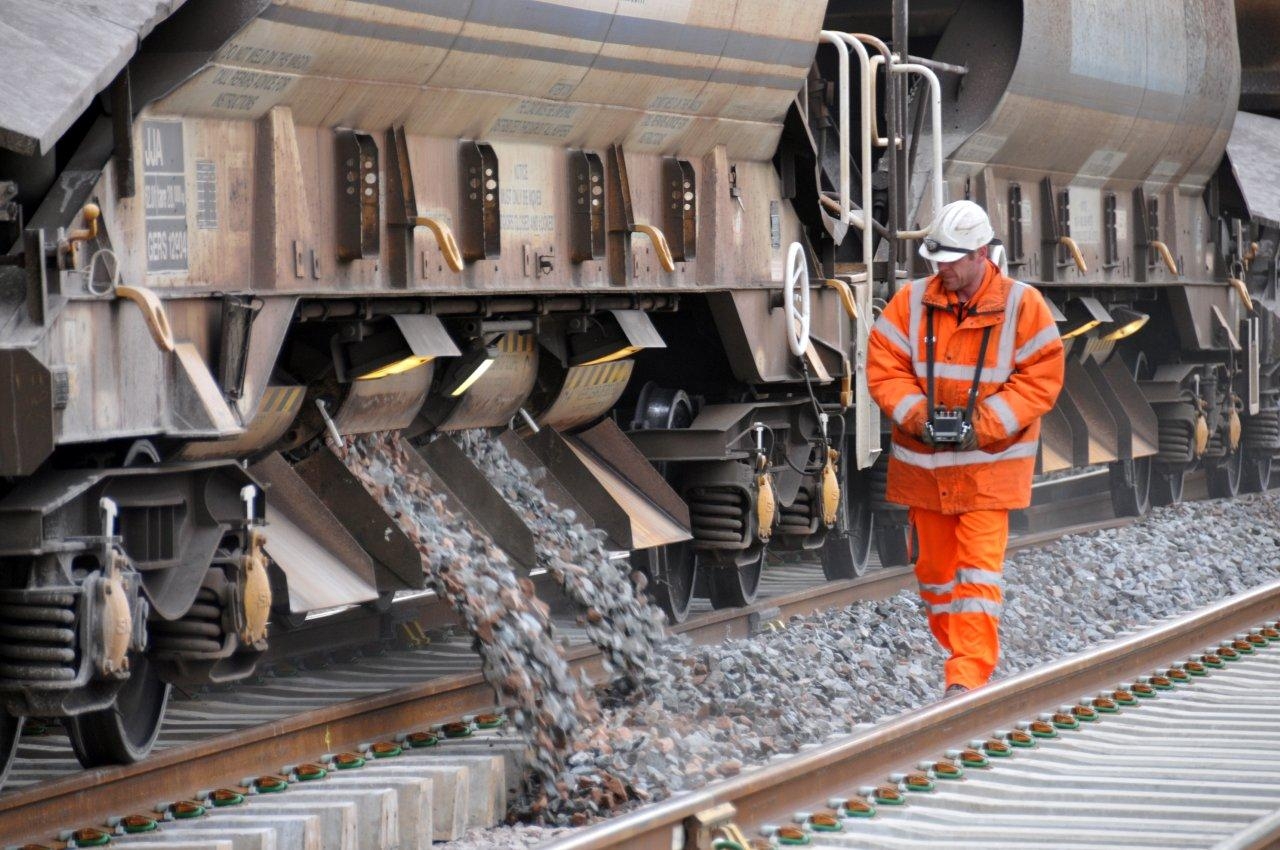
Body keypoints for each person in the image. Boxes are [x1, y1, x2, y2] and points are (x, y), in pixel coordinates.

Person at [867, 200, 1065, 697]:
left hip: (989, 471)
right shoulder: (911, 303)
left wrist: (981, 426)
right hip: (926, 472)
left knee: (977, 572)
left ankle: (967, 675)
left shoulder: (1023, 306)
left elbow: (1041, 378)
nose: (943, 269)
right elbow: (883, 367)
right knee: (934, 576)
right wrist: (918, 416)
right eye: (936, 259)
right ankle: (958, 652)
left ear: (982, 254)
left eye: (953, 260)